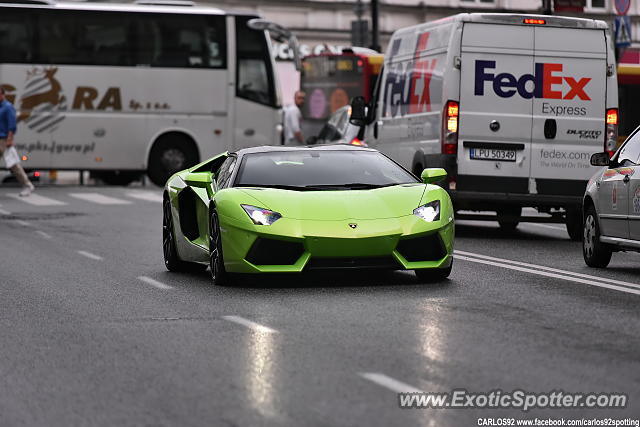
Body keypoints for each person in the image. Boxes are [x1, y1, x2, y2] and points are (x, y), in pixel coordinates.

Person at [0, 87, 34, 197]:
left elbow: (12, 125)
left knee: (13, 164)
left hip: (4, 140)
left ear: (3, 95)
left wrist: (10, 139)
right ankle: (27, 185)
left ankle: (27, 185)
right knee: (13, 164)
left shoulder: (8, 107)